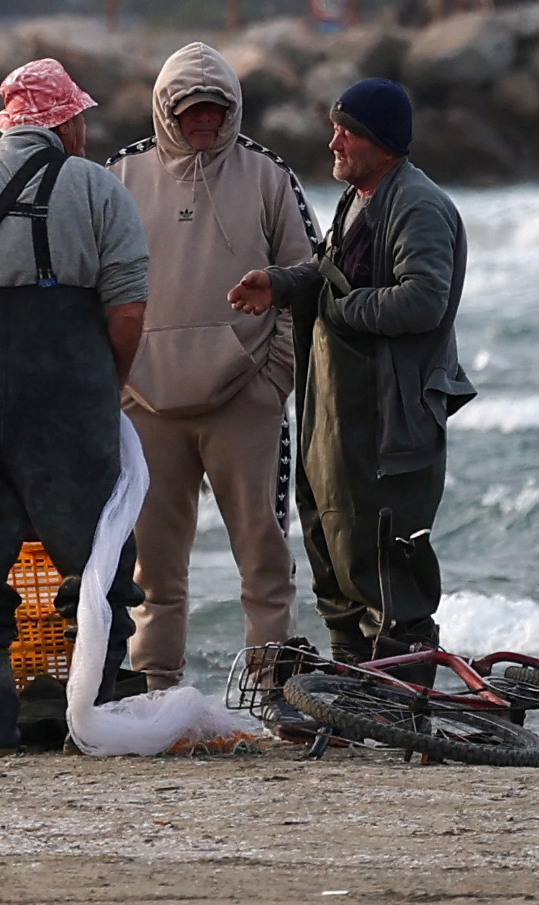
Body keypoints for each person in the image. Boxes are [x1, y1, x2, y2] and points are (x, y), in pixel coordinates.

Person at [0, 56, 151, 753]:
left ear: (11, 121)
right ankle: (90, 717)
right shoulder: (98, 188)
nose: (84, 127)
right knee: (97, 560)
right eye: (81, 117)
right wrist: (107, 381)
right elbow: (127, 308)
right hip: (70, 397)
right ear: (64, 120)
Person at [230, 76, 470, 661]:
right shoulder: (360, 196)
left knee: (388, 569)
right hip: (339, 417)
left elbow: (423, 300)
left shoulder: (417, 205)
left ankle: (401, 706)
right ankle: (353, 697)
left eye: (348, 132)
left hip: (390, 423)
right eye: (335, 128)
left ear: (382, 142)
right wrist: (281, 283)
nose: (333, 142)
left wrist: (342, 309)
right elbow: (329, 268)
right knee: (335, 556)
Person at [108, 41, 315, 688]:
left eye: (217, 109)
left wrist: (273, 376)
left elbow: (309, 275)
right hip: (146, 406)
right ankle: (156, 687)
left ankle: (272, 690)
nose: (205, 122)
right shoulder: (119, 175)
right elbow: (88, 284)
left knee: (264, 558)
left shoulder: (267, 173)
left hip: (243, 403)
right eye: (191, 110)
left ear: (235, 109)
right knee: (154, 569)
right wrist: (117, 384)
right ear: (166, 111)